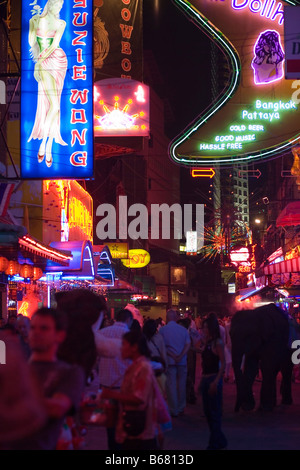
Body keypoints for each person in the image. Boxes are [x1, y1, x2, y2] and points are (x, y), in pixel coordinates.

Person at [12, 307, 85, 450]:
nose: (36, 333)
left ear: (60, 335)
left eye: (44, 328)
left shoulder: (69, 372)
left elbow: (56, 408)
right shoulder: (18, 368)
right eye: (33, 328)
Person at [101, 330, 159, 450]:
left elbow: (138, 398)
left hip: (140, 432)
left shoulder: (143, 367)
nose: (120, 348)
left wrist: (110, 394)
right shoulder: (136, 366)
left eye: (123, 344)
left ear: (134, 347)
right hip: (133, 428)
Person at [28, 0, 68, 168]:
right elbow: (32, 43)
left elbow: (55, 46)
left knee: (55, 105)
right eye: (57, 4)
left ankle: (46, 145)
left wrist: (39, 62)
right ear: (50, 4)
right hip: (43, 61)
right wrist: (38, 61)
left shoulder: (61, 23)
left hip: (57, 60)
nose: (59, 8)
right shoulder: (34, 20)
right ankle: (47, 147)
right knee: (52, 105)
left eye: (60, 5)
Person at [96, 308, 133, 450]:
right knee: (125, 424)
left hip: (105, 387)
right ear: (128, 320)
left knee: (109, 425)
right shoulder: (130, 336)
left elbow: (96, 361)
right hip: (124, 389)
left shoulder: (101, 333)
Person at [199, 312, 228, 450]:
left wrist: (216, 381)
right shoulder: (207, 343)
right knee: (208, 412)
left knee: (214, 413)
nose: (203, 330)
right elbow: (199, 350)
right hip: (205, 379)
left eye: (205, 327)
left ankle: (214, 443)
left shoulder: (218, 343)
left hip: (213, 378)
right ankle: (220, 439)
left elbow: (222, 363)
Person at [159, 309, 191, 417]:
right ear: (176, 318)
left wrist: (173, 356)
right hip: (182, 362)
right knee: (181, 385)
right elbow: (187, 345)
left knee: (171, 386)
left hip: (170, 361)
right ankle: (181, 407)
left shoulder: (162, 331)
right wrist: (180, 356)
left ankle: (174, 409)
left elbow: (161, 346)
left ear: (167, 318)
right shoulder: (183, 330)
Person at [143, 318, 168, 394]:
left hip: (145, 367)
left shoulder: (142, 338)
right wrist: (165, 367)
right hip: (157, 367)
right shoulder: (159, 338)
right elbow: (163, 354)